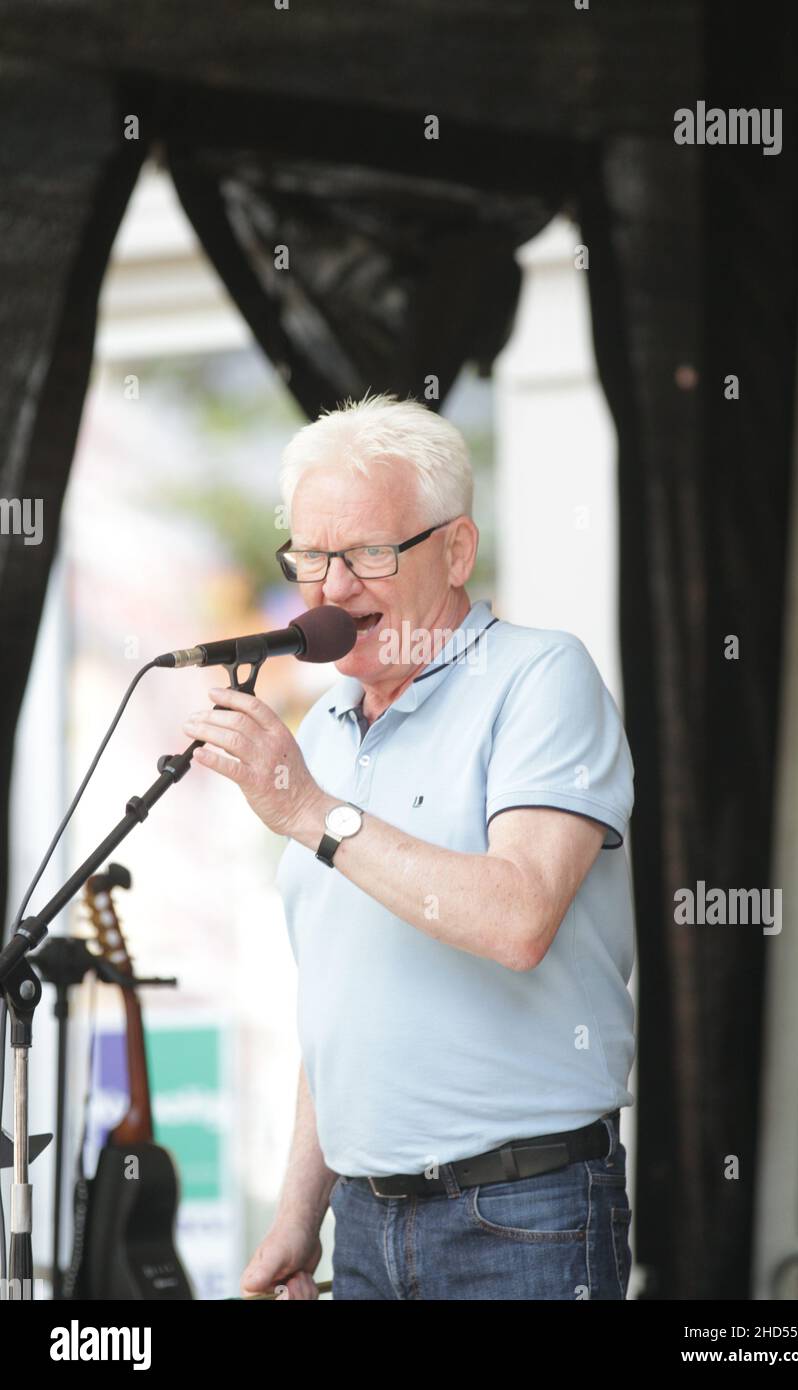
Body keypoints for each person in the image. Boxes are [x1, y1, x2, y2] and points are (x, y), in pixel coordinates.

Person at [181, 393, 636, 1300]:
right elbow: (343, 1000)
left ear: (457, 550)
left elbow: (519, 919)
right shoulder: (325, 728)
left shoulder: (542, 676)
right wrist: (296, 1216)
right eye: (311, 556)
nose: (332, 589)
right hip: (360, 1223)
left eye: (369, 554)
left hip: (521, 1216)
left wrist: (313, 810)